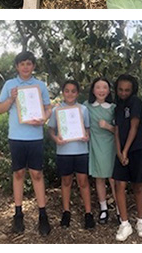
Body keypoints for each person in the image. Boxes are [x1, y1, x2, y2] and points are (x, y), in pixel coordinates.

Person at [0, 50, 52, 236]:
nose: (26, 67)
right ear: (17, 67)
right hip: (16, 136)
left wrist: (44, 118)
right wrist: (11, 98)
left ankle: (43, 215)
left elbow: (48, 107)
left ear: (33, 66)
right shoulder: (10, 85)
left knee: (37, 174)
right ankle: (18, 214)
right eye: (22, 64)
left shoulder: (40, 85)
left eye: (29, 63)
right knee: (19, 173)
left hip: (35, 137)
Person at [48, 79, 95, 230]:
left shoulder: (83, 110)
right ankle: (66, 212)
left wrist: (86, 136)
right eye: (67, 91)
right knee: (66, 181)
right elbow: (51, 130)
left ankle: (88, 214)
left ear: (77, 93)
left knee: (83, 182)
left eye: (73, 91)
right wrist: (56, 139)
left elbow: (87, 128)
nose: (70, 94)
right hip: (64, 152)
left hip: (81, 151)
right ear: (63, 92)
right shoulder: (57, 111)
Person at [113, 74, 142, 242]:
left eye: (127, 90)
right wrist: (119, 152)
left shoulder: (136, 102)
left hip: (139, 149)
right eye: (120, 89)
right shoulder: (116, 107)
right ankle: (125, 224)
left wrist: (126, 151)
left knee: (138, 185)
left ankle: (141, 221)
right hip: (122, 151)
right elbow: (116, 131)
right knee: (119, 185)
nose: (123, 93)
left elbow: (134, 127)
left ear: (133, 90)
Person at [85, 77, 117, 225]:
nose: (101, 90)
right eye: (98, 87)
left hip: (111, 146)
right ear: (93, 90)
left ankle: (119, 208)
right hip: (95, 145)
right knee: (99, 177)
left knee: (113, 178)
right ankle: (103, 208)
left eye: (104, 87)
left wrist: (108, 127)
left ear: (109, 90)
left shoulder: (113, 108)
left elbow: (119, 130)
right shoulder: (87, 106)